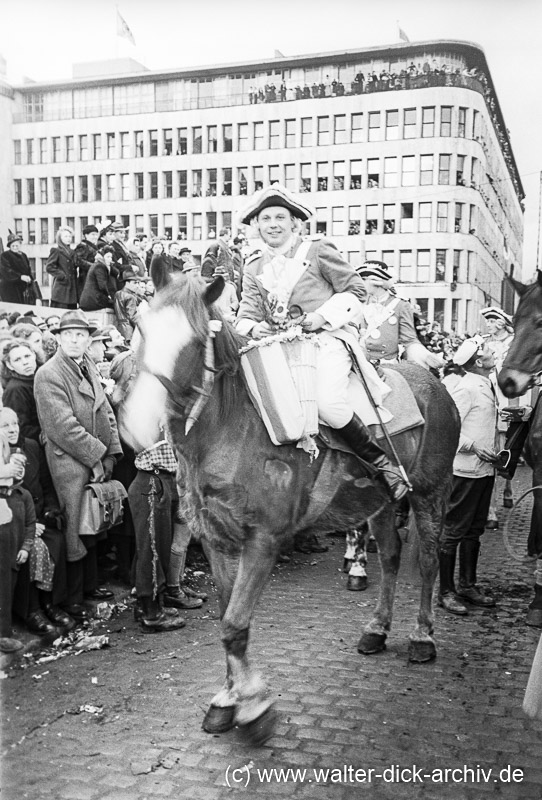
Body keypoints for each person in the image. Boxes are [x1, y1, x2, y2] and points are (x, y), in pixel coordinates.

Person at [235, 184, 408, 502]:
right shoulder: (253, 266)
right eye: (266, 219)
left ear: (294, 224)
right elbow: (244, 315)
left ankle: (383, 464)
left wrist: (321, 317)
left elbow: (357, 290)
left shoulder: (317, 250)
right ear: (257, 226)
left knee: (327, 402)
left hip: (325, 340)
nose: (273, 224)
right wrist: (254, 327)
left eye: (280, 217)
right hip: (277, 349)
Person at [34, 310, 123, 621]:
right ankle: (72, 599)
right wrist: (97, 456)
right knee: (74, 527)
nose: (75, 339)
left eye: (81, 335)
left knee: (93, 522)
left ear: (88, 340)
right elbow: (62, 426)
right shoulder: (49, 373)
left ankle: (88, 587)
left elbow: (107, 414)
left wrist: (111, 453)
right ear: (58, 338)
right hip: (68, 463)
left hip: (93, 459)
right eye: (68, 334)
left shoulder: (87, 366)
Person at [0, 407, 74, 634]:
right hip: (14, 520)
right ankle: (30, 611)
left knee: (58, 539)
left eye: (15, 424)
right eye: (5, 426)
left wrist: (50, 511)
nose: (12, 430)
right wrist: (30, 525)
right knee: (33, 549)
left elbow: (45, 484)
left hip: (36, 516)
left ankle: (51, 603)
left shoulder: (31, 447)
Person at [439, 338, 498, 615]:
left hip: (484, 471)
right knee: (453, 531)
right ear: (477, 362)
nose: (492, 352)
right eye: (487, 351)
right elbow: (447, 428)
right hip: (465, 471)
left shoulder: (486, 384)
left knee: (474, 530)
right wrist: (473, 446)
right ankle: (446, 591)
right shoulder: (466, 388)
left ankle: (467, 584)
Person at [481, 306, 527, 528]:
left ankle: (507, 487)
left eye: (492, 321)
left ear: (501, 323)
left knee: (507, 448)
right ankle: (491, 510)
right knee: (493, 451)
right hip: (487, 398)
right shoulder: (483, 342)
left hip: (510, 400)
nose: (488, 325)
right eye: (487, 321)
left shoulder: (516, 342)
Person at [357, 261, 444, 369]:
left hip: (387, 366)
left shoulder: (400, 305)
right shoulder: (359, 304)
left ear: (378, 281)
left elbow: (409, 340)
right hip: (360, 363)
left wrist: (425, 356)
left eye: (364, 279)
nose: (360, 283)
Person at [1, 340, 41, 442]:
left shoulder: (41, 376)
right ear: (9, 365)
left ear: (34, 355)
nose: (25, 362)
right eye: (17, 360)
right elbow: (21, 428)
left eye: (27, 356)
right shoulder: (15, 389)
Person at [46, 227, 78, 309]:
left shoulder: (72, 252)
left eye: (70, 237)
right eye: (65, 236)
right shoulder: (56, 250)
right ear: (60, 238)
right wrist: (62, 275)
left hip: (72, 288)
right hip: (61, 288)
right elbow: (49, 267)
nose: (68, 239)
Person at [79, 246, 118, 312]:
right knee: (118, 305)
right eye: (108, 257)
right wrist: (109, 296)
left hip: (92, 299)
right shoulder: (99, 266)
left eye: (111, 257)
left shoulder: (98, 264)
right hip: (94, 300)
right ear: (102, 257)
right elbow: (102, 286)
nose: (110, 259)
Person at [114, 272, 148, 344]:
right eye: (134, 283)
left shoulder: (117, 294)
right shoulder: (131, 297)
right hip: (129, 331)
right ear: (127, 283)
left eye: (138, 283)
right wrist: (144, 333)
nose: (137, 286)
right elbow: (133, 317)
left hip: (119, 328)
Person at [0, 234, 33, 304]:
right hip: (9, 289)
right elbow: (6, 271)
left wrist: (30, 278)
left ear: (20, 245)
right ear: (9, 246)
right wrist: (20, 277)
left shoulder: (23, 255)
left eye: (17, 245)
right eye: (13, 246)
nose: (15, 247)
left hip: (22, 289)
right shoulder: (5, 255)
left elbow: (28, 270)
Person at [73, 225, 100, 300]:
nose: (95, 237)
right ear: (86, 235)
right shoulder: (83, 246)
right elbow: (78, 261)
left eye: (96, 234)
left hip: (93, 276)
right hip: (85, 278)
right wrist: (94, 266)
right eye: (92, 234)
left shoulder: (93, 246)